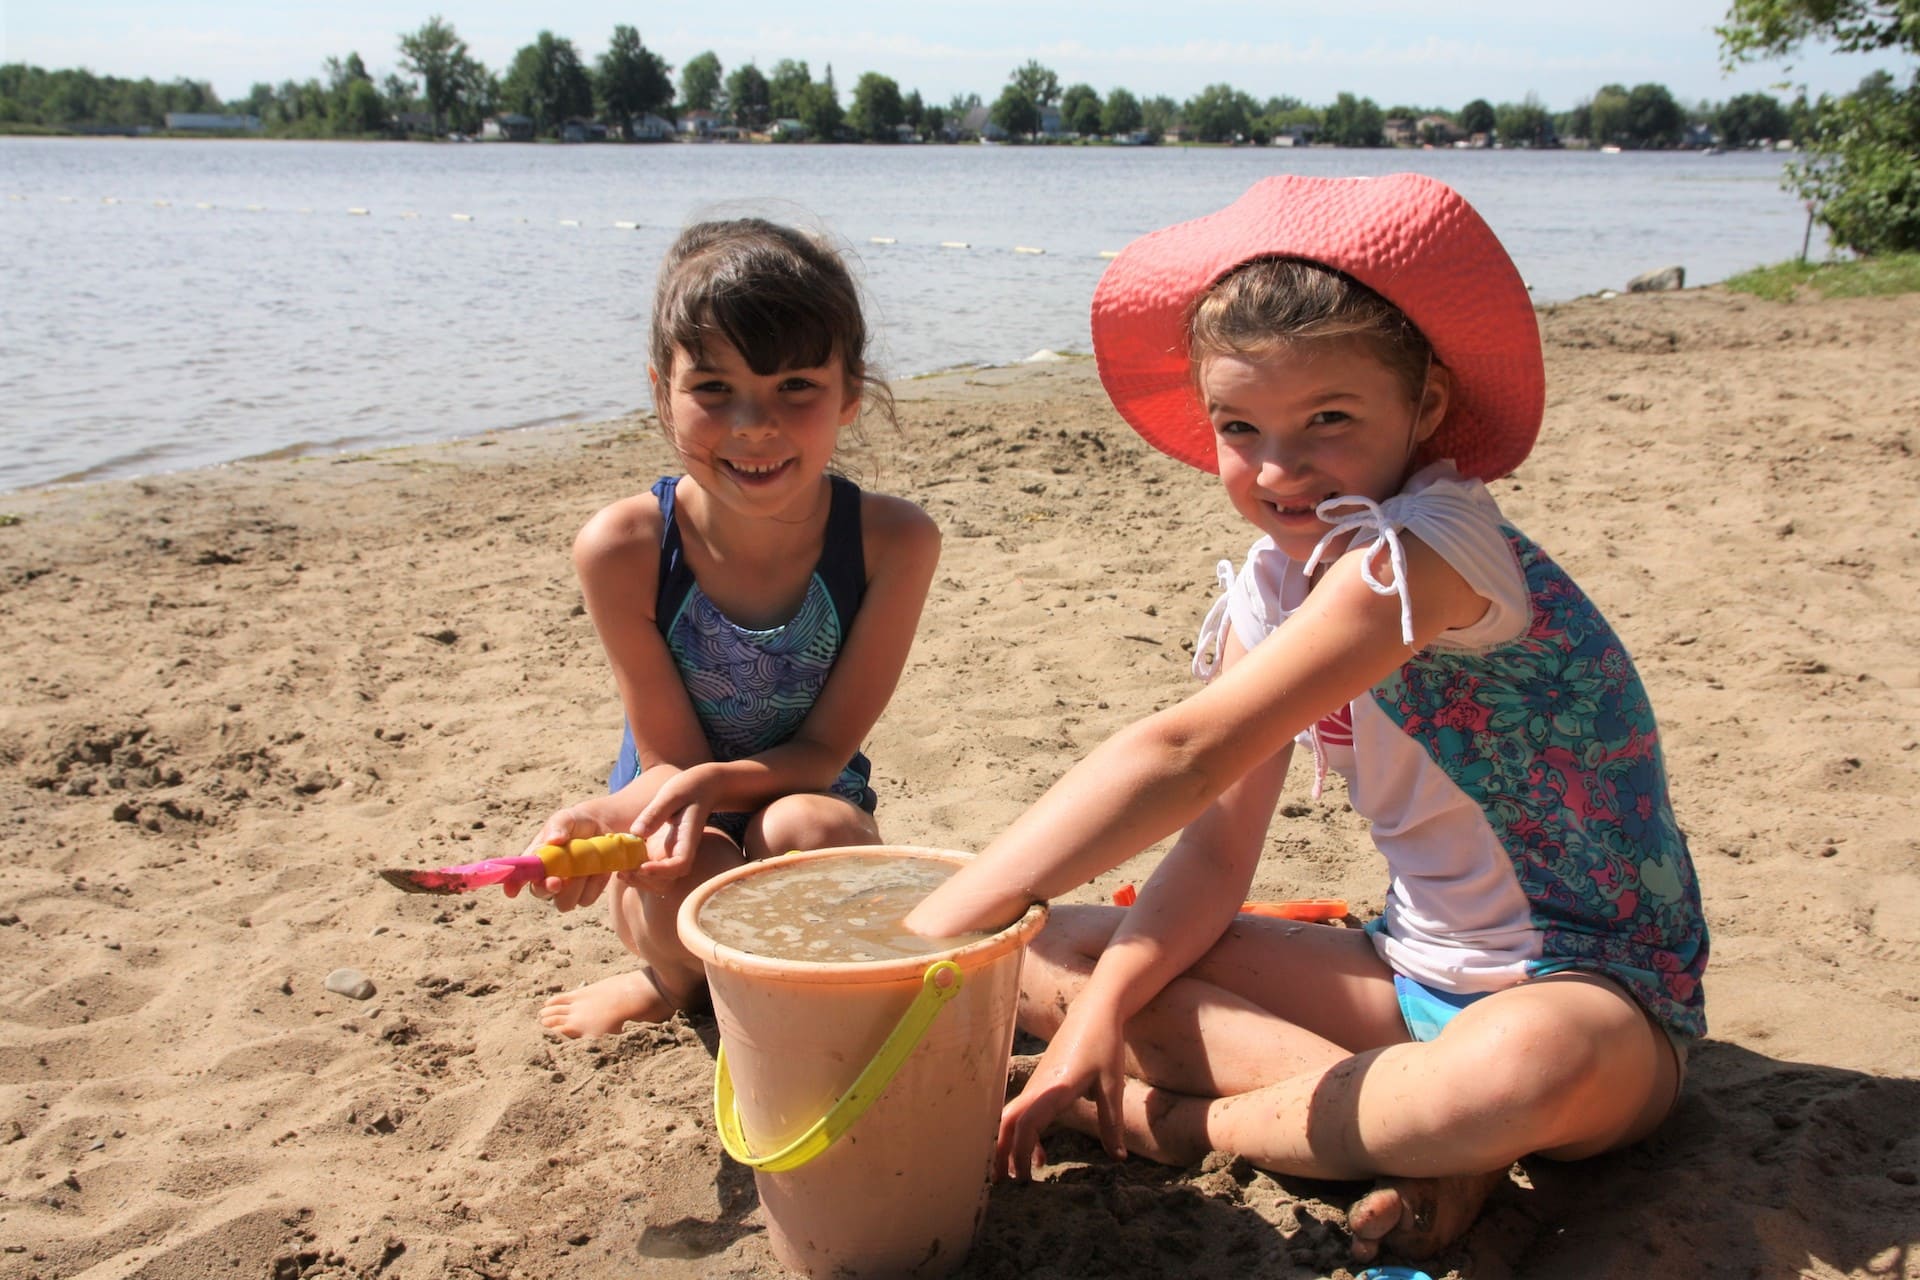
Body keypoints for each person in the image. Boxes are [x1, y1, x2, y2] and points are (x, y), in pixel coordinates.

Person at [905, 174, 1708, 1264]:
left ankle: (1182, 1125)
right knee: (1047, 948)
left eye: (1328, 420)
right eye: (1241, 426)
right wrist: (1100, 1011)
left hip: (1588, 995)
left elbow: (1186, 753)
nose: (1279, 470)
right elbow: (1217, 849)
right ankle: (1419, 1135)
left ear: (1423, 407)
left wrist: (918, 934)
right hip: (1402, 972)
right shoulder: (1269, 589)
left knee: (1517, 1071)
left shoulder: (1432, 546)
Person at [508, 216, 941, 1038]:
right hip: (671, 808)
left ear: (850, 392)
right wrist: (592, 821)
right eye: (713, 389)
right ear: (660, 392)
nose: (752, 424)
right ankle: (673, 984)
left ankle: (780, 985)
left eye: (795, 388)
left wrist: (715, 783)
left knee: (806, 827)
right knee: (685, 873)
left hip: (806, 792)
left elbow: (822, 755)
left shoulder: (892, 542)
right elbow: (667, 761)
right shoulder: (625, 549)